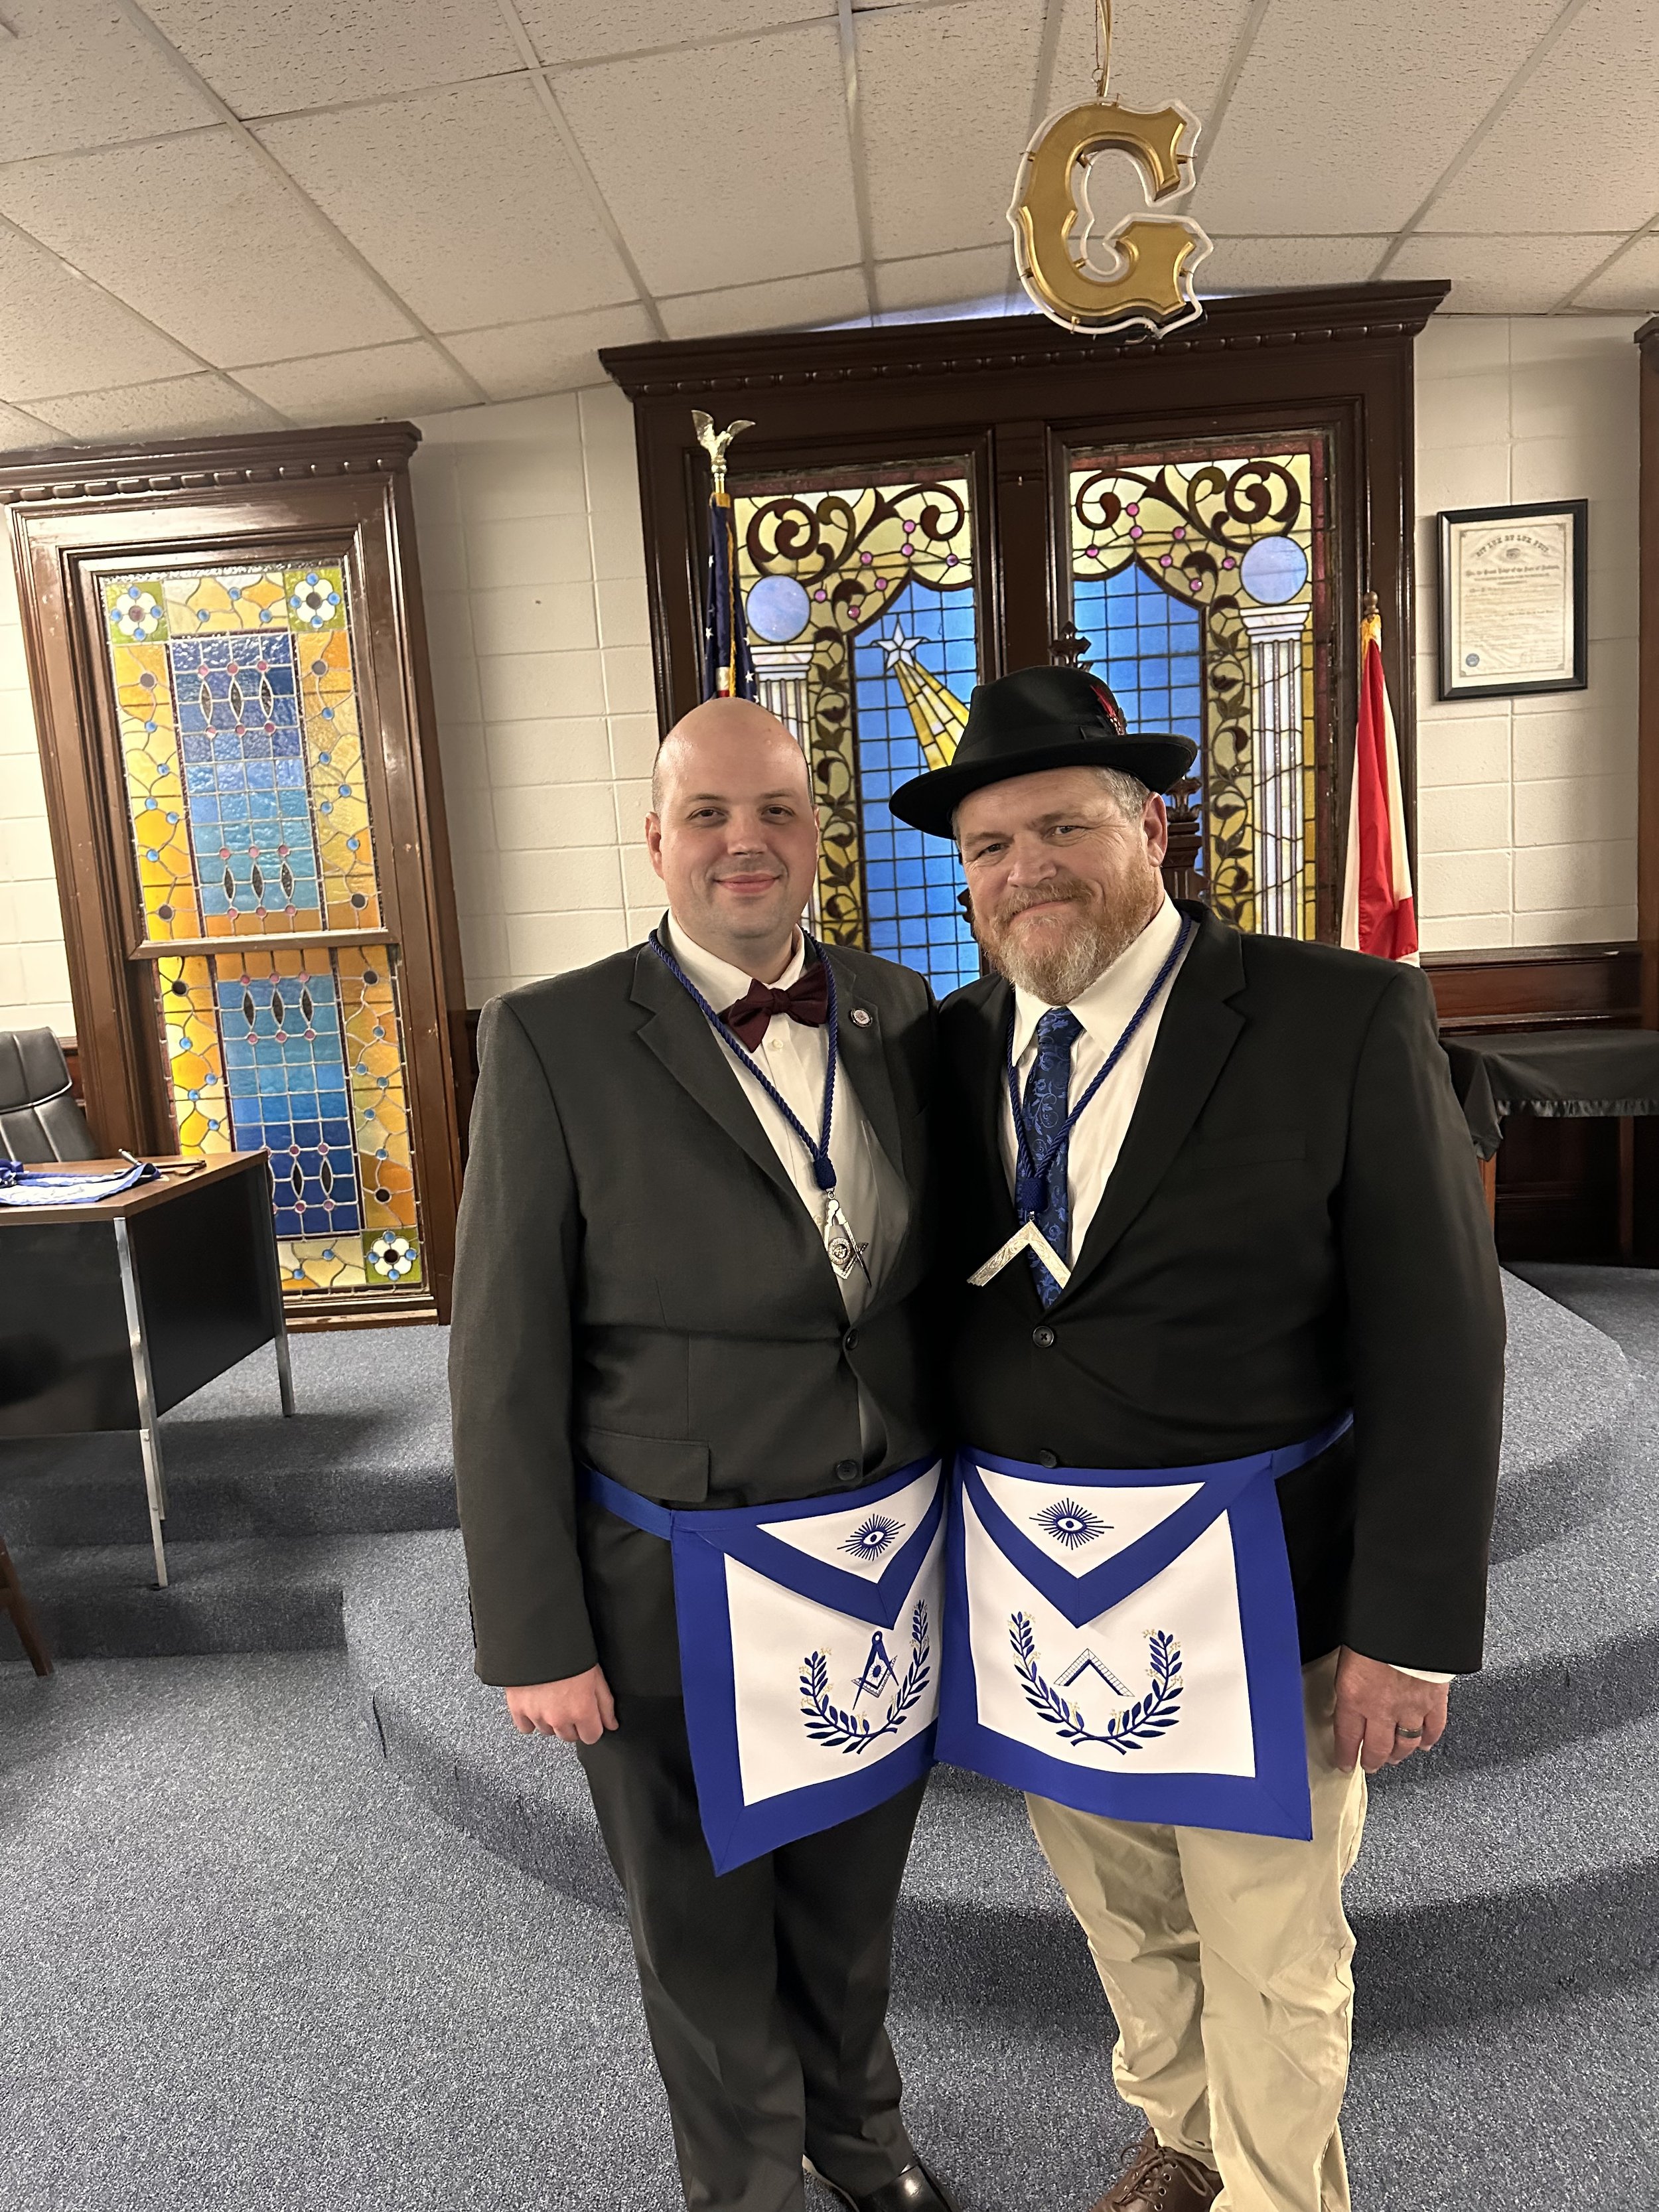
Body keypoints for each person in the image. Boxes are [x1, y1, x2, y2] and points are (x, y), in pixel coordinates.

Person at [890, 666, 1504, 2212]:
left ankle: (1278, 2197)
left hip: (1263, 1586)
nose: (1022, 870)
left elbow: (1437, 1336)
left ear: (1149, 825)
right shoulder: (947, 1049)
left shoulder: (1336, 1016)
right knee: (1124, 1919)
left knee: (1270, 1943)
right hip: (1035, 1581)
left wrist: (1405, 1627)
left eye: (1060, 828)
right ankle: (1178, 2136)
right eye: (984, 846)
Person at [449, 696, 959, 2212]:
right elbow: (498, 1360)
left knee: (853, 1904)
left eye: (778, 811)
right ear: (656, 840)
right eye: (709, 814)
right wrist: (534, 1631)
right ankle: (745, 2180)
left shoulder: (896, 1008)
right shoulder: (549, 1039)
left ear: (816, 833)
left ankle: (860, 2136)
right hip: (672, 1578)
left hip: (879, 1564)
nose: (747, 841)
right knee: (703, 1921)